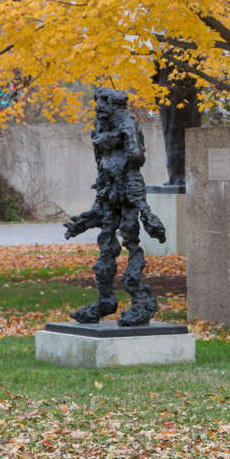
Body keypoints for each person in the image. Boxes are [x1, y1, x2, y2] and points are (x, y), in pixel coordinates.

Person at [64, 88, 166, 326]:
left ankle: (141, 301)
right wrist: (95, 208)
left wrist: (142, 206)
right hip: (109, 191)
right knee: (106, 249)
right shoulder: (100, 126)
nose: (99, 108)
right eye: (98, 103)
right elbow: (101, 165)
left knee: (131, 242)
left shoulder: (127, 125)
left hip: (128, 191)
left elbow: (137, 159)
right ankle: (106, 300)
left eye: (105, 103)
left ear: (116, 105)